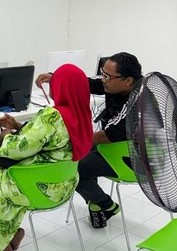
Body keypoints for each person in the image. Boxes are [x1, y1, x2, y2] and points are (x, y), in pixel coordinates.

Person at [0, 64, 92, 251]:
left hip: (35, 185)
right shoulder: (81, 114)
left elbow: (14, 150)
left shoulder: (52, 117)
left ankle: (0, 242)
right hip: (63, 186)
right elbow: (48, 140)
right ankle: (8, 232)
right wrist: (17, 126)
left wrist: (6, 135)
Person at [35, 51, 143, 228]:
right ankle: (96, 203)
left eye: (107, 77)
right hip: (114, 147)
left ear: (128, 81)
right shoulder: (115, 84)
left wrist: (70, 140)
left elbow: (108, 135)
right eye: (103, 73)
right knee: (79, 156)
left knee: (73, 168)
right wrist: (54, 78)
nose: (103, 80)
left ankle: (106, 205)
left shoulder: (137, 102)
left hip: (133, 157)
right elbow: (85, 83)